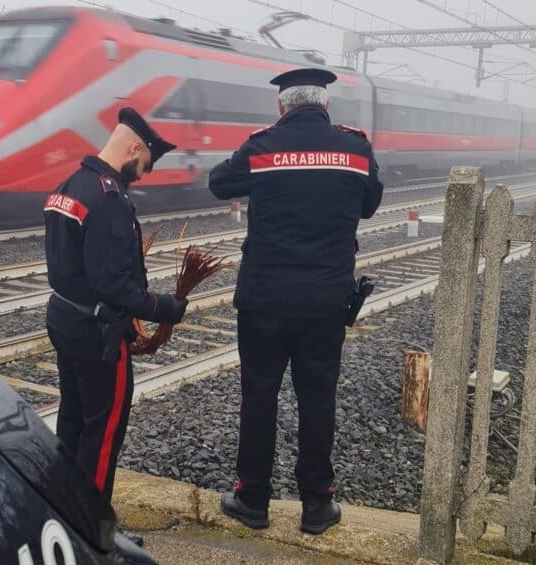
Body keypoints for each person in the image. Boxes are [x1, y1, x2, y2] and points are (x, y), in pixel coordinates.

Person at [207, 68, 383, 535]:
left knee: (259, 395)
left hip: (265, 299)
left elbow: (219, 183)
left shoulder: (262, 147)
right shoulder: (355, 148)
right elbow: (369, 205)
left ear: (281, 106)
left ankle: (252, 499)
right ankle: (317, 505)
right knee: (318, 398)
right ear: (326, 105)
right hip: (326, 301)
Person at [44, 107, 189, 507]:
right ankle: (94, 526)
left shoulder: (68, 186)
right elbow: (111, 283)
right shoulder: (108, 198)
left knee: (72, 420)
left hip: (64, 320)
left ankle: (64, 510)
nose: (142, 175)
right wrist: (163, 307)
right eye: (145, 164)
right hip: (98, 335)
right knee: (102, 431)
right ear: (133, 148)